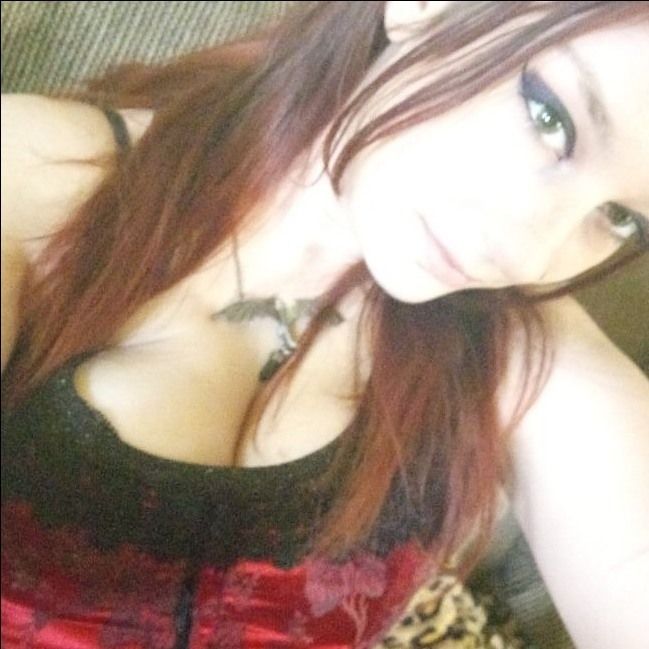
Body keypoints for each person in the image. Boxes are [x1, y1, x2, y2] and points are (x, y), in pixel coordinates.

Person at [2, 1, 648, 648]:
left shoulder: (519, 349)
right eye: (549, 119)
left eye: (621, 218)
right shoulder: (35, 179)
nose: (530, 256)